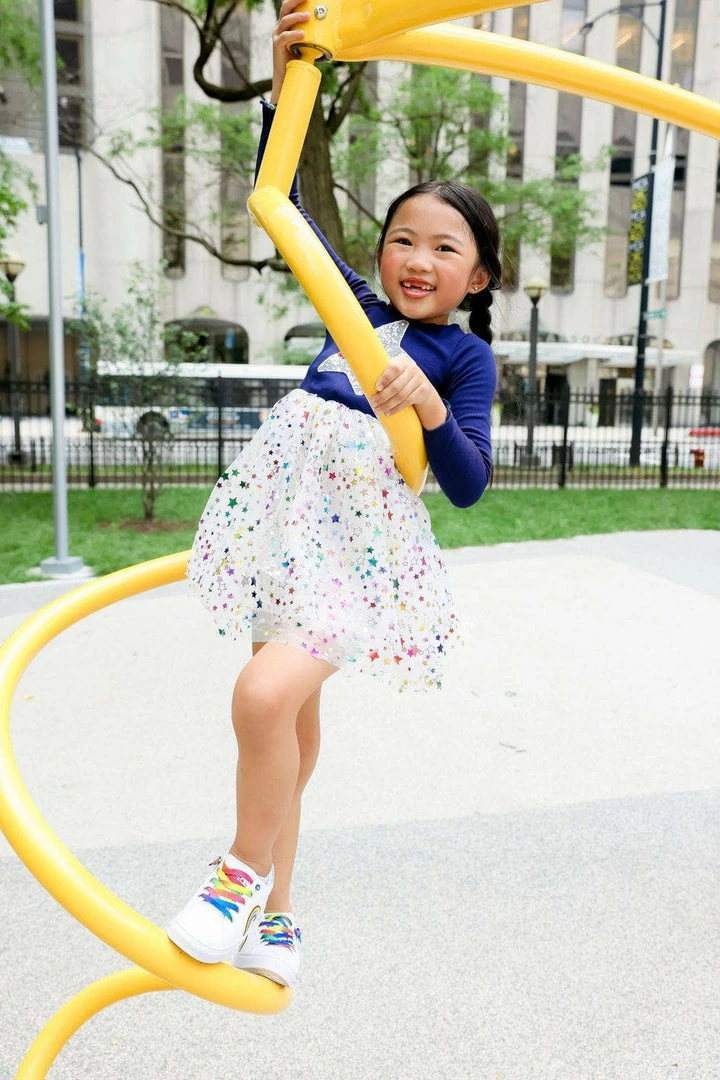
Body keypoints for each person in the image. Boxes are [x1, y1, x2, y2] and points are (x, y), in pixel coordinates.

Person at [167, 0, 502, 988]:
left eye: (445, 248)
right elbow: (284, 207)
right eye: (403, 239)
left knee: (260, 698)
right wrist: (289, 84)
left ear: (480, 276)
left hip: (358, 559)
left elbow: (470, 485)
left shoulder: (464, 357)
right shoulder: (349, 304)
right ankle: (277, 921)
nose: (418, 260)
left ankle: (235, 877)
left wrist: (429, 408)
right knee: (289, 731)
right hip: (286, 539)